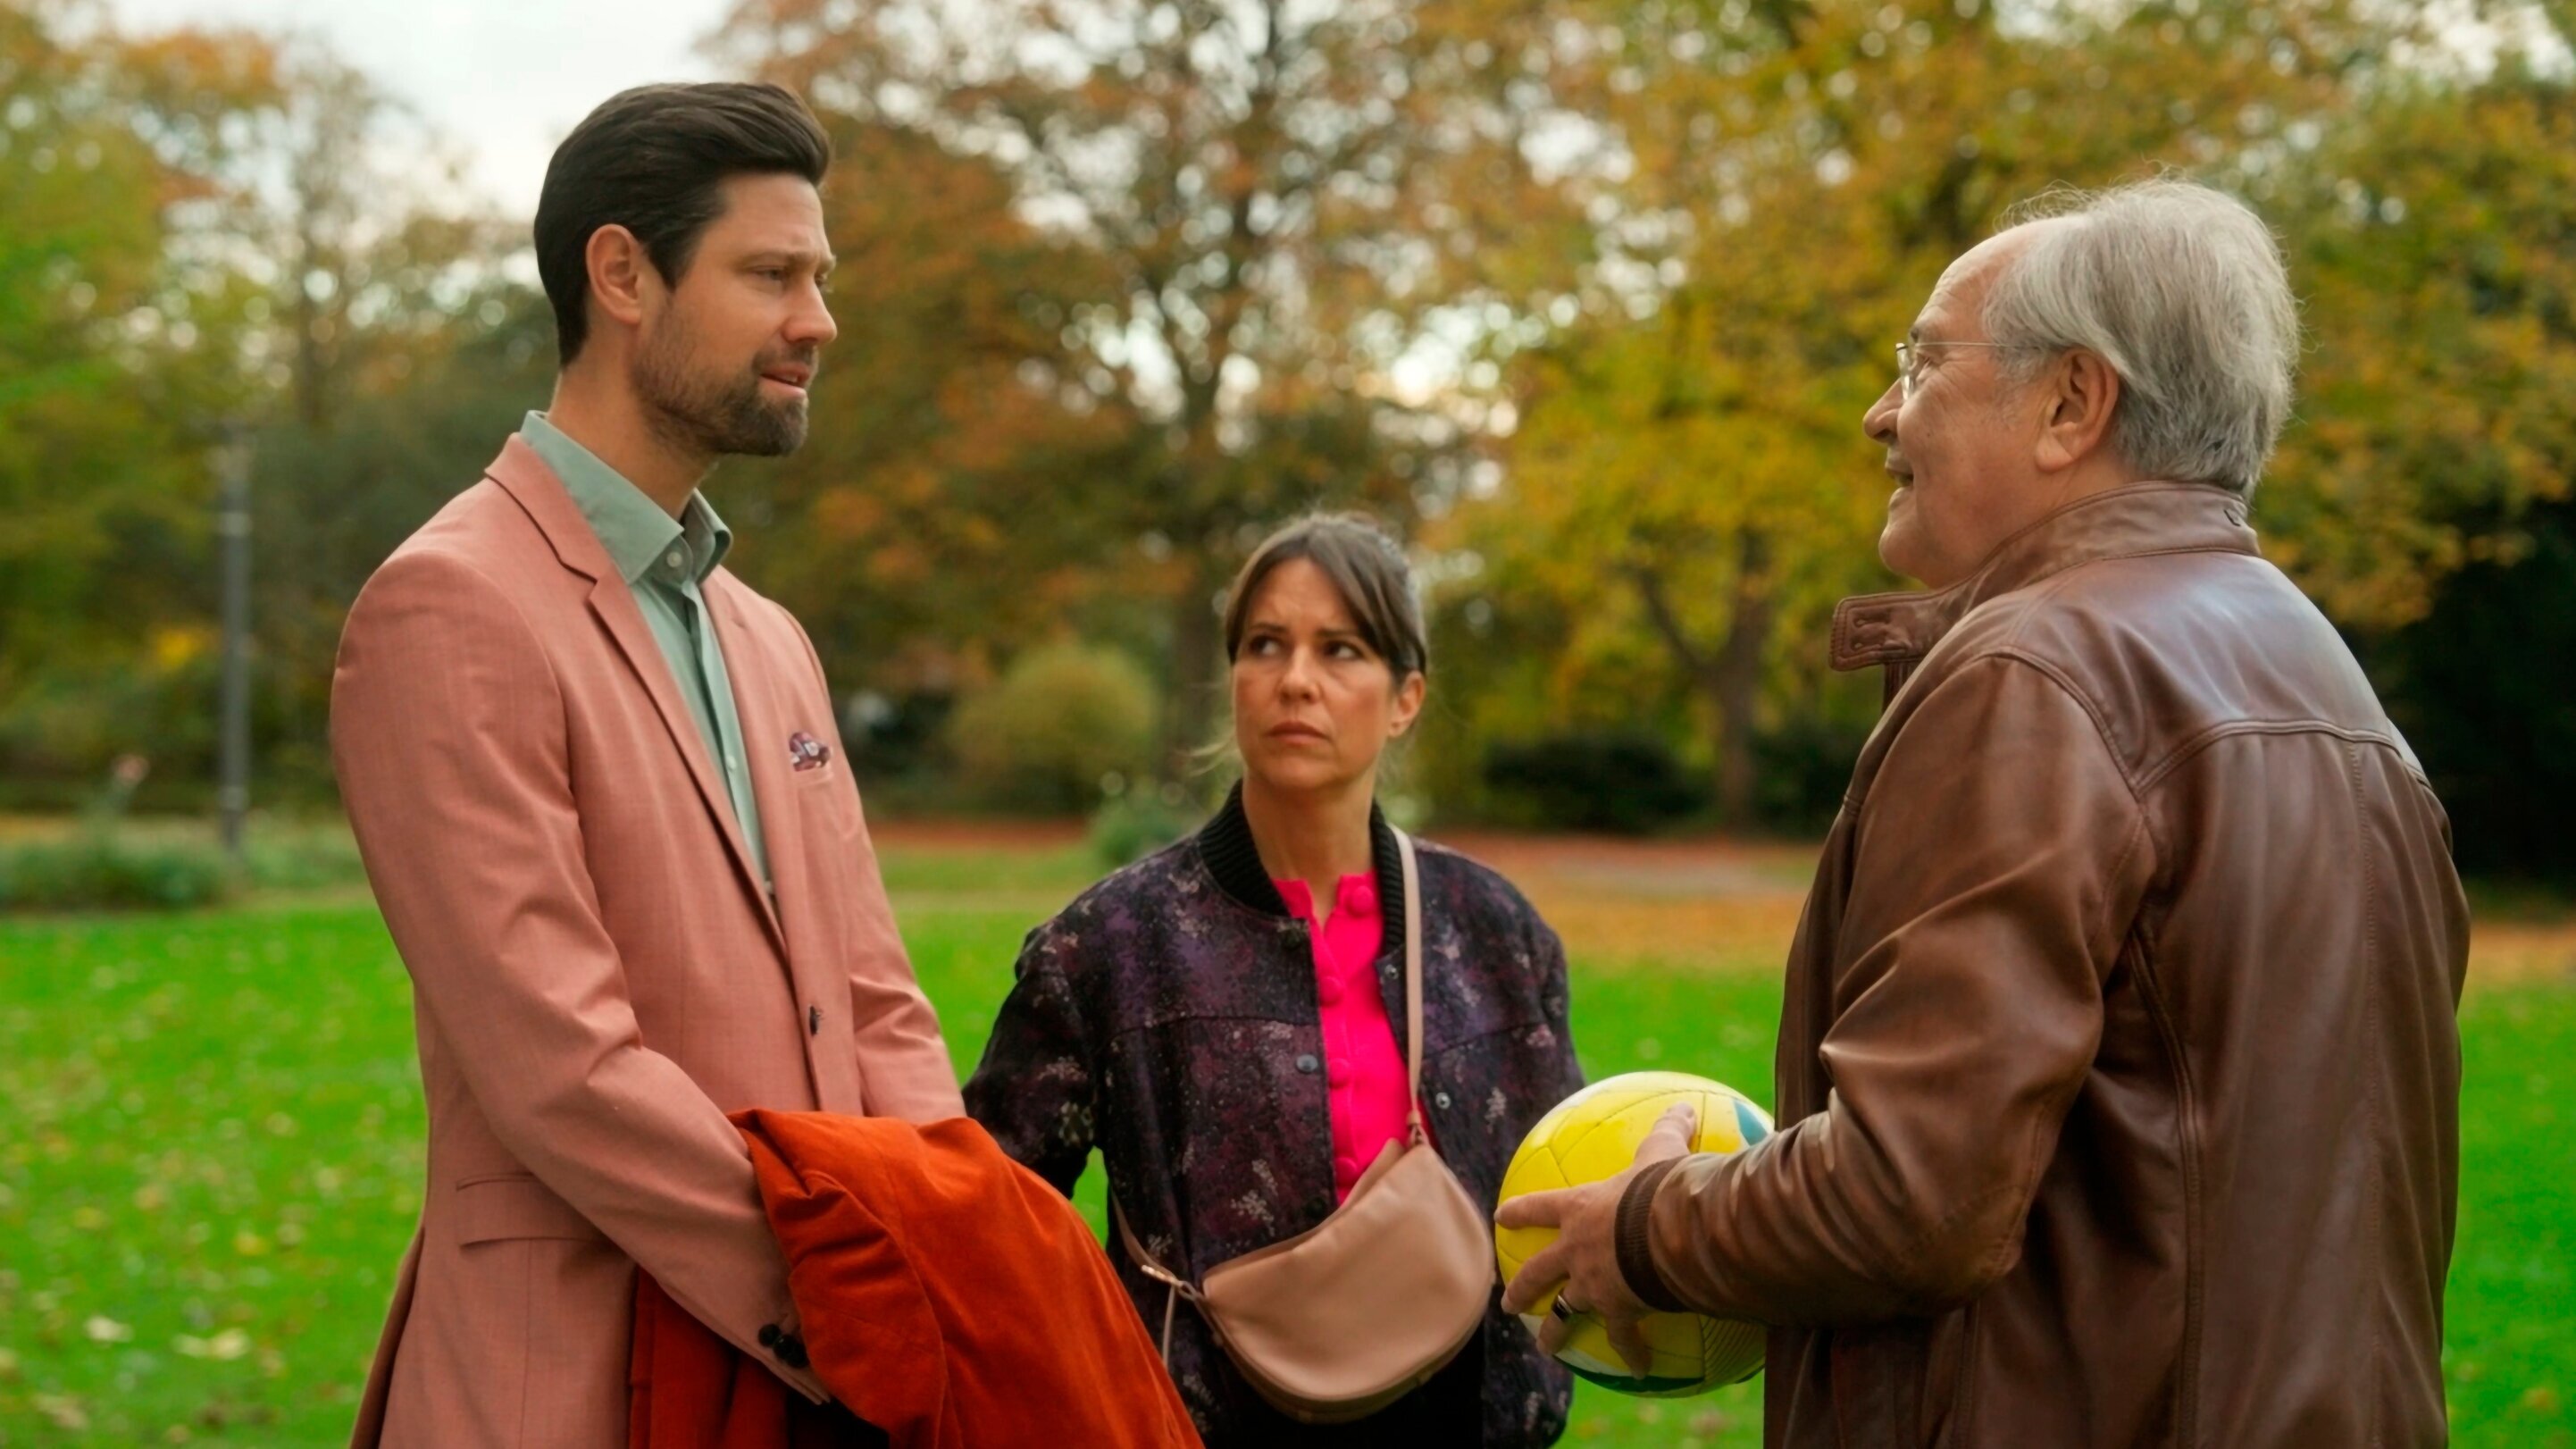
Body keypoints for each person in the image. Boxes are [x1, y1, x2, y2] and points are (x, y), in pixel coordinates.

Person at [1501, 177, 2471, 1448]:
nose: (1879, 412)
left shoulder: (2033, 673)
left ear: (2071, 403)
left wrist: (1644, 1227)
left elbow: (1910, 1198)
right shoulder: (2335, 688)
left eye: (1921, 362)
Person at [330, 83, 960, 1448]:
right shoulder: (448, 605)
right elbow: (560, 1063)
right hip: (577, 1377)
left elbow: (876, 1003)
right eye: (771, 275)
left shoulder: (768, 636)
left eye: (821, 278)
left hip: (832, 1377)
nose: (818, 319)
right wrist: (845, 1294)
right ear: (621, 274)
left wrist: (950, 1256)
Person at [964, 514, 1586, 1445]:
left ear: (1406, 697)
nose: (1296, 679)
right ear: (1234, 679)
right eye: (1265, 644)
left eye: (1340, 650)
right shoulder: (1109, 944)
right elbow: (992, 1223)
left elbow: (1563, 1192)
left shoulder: (1494, 931)